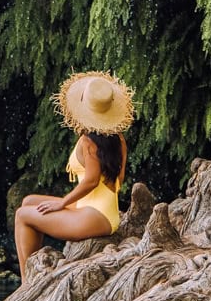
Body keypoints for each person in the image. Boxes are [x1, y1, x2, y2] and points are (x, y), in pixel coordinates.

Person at [14, 70, 134, 282]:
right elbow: (119, 179)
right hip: (106, 213)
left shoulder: (88, 142)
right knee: (29, 201)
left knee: (22, 215)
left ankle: (26, 283)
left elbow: (91, 180)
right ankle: (34, 269)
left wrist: (62, 203)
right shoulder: (118, 138)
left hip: (93, 217)